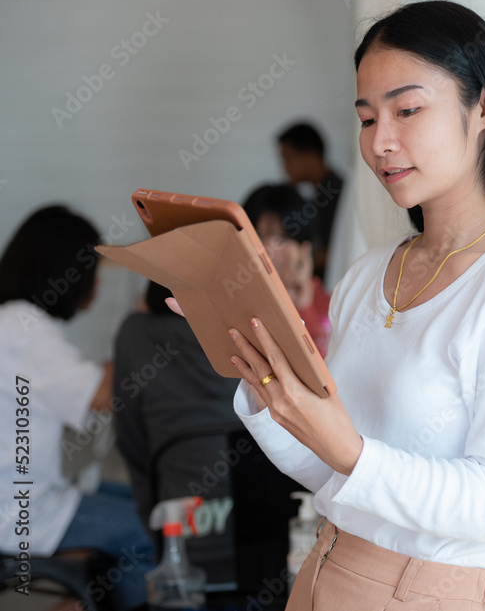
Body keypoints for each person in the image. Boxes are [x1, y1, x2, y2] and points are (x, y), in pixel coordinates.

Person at [168, 0, 485, 610]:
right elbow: (334, 475)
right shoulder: (368, 274)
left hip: (424, 593)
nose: (380, 142)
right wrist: (259, 371)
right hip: (325, 568)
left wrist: (352, 453)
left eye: (407, 111)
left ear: (484, 107)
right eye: (365, 119)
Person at [0, 205, 155, 611]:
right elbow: (102, 395)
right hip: (20, 512)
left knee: (143, 500)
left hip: (26, 497)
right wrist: (143, 321)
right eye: (92, 270)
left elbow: (86, 387)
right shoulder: (23, 329)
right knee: (150, 529)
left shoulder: (15, 323)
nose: (97, 282)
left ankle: (80, 602)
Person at [112, 280, 242, 588]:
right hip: (263, 547)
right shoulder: (249, 332)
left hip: (179, 547)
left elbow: (131, 442)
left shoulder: (136, 334)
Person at [242, 183, 333, 357]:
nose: (266, 249)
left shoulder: (332, 308)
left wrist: (303, 306)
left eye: (281, 239)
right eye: (257, 236)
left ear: (304, 249)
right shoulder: (234, 297)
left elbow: (322, 368)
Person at [277, 122, 344, 282]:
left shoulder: (337, 194)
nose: (284, 168)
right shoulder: (318, 194)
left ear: (309, 155)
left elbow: (335, 250)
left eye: (287, 159)